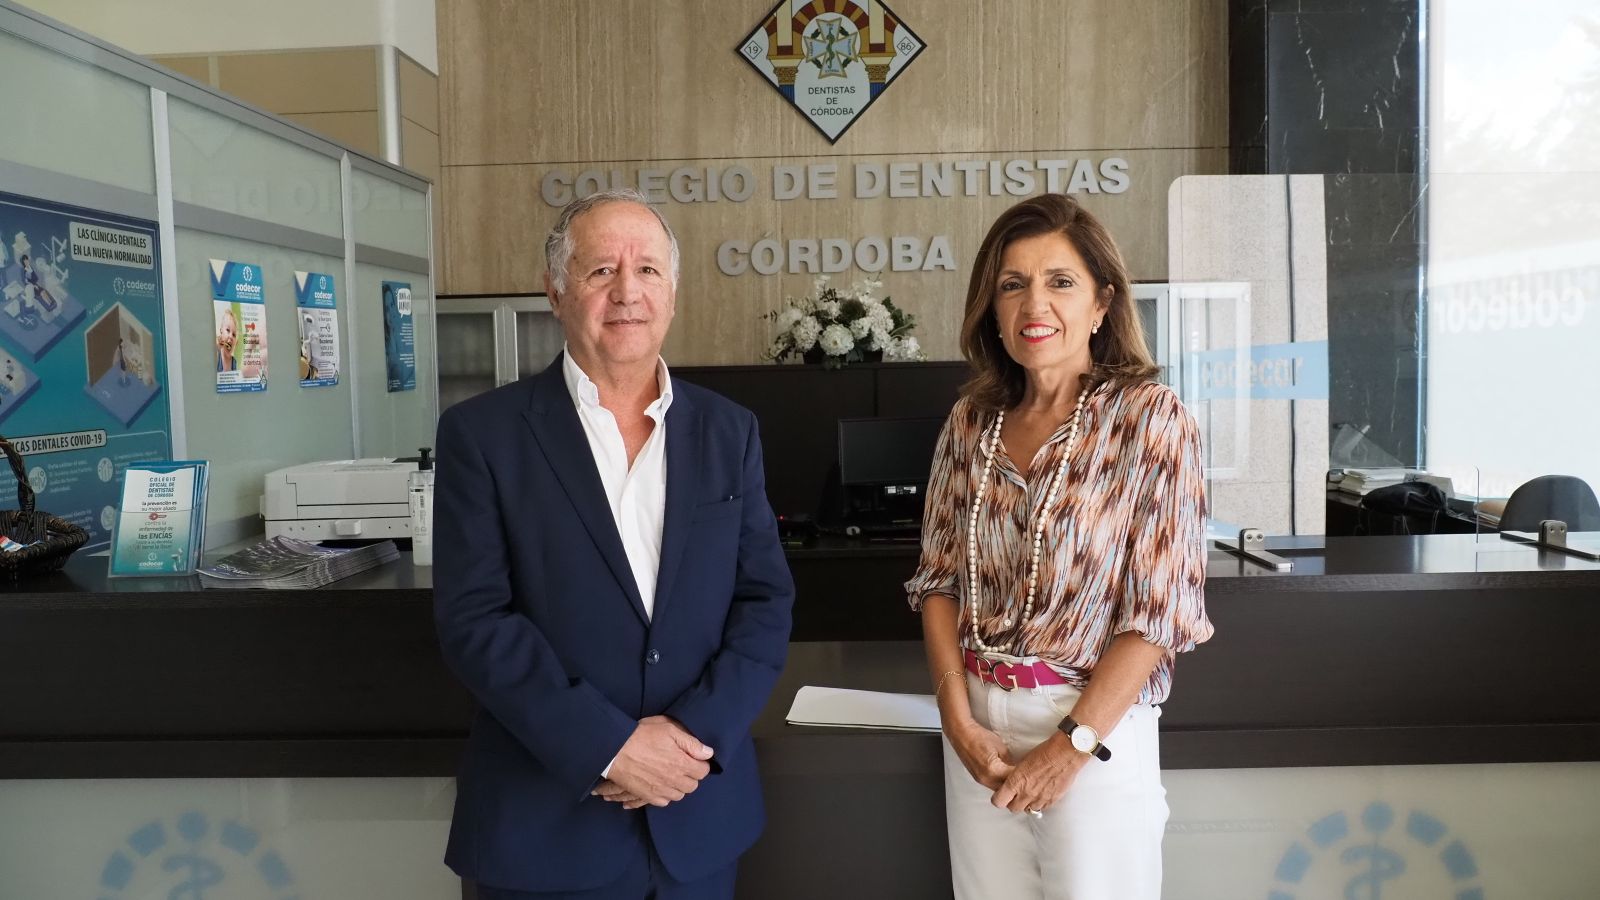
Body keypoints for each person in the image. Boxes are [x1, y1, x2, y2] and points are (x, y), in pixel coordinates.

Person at [433, 188, 794, 899]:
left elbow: (765, 601)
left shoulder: (730, 432)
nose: (627, 291)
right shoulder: (483, 435)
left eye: (648, 270)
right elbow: (475, 620)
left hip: (696, 820)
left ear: (674, 290)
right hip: (546, 828)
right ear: (557, 291)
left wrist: (687, 741)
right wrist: (611, 746)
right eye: (601, 270)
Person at [905, 193, 1213, 900]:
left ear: (1102, 303)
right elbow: (937, 582)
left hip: (1091, 728)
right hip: (979, 727)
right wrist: (958, 719)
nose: (1032, 303)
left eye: (1060, 282)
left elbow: (1159, 616)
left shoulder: (1149, 419)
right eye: (1012, 284)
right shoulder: (970, 421)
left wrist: (1071, 745)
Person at [215, 307, 238, 372]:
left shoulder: (234, 362)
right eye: (228, 330)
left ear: (236, 344)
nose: (230, 336)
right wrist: (217, 346)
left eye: (234, 335)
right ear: (221, 331)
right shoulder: (217, 356)